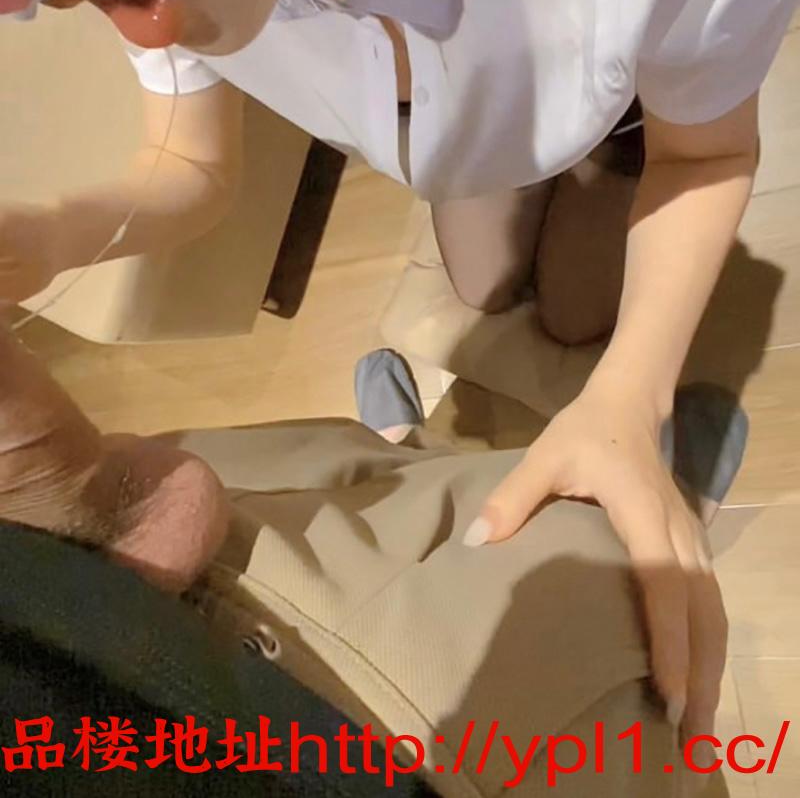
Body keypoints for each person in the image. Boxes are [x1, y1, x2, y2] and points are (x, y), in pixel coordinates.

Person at [1, 0, 799, 747]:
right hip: (468, 123)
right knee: (480, 283)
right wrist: (59, 230)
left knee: (585, 311)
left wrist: (630, 398)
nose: (136, 17)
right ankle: (419, 451)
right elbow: (191, 157)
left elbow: (707, 150)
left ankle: (600, 353)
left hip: (635, 100)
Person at [0, 319, 706, 796]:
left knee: (352, 464)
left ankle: (403, 446)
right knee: (606, 543)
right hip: (396, 712)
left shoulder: (152, 472)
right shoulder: (537, 675)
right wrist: (629, 413)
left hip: (118, 544)